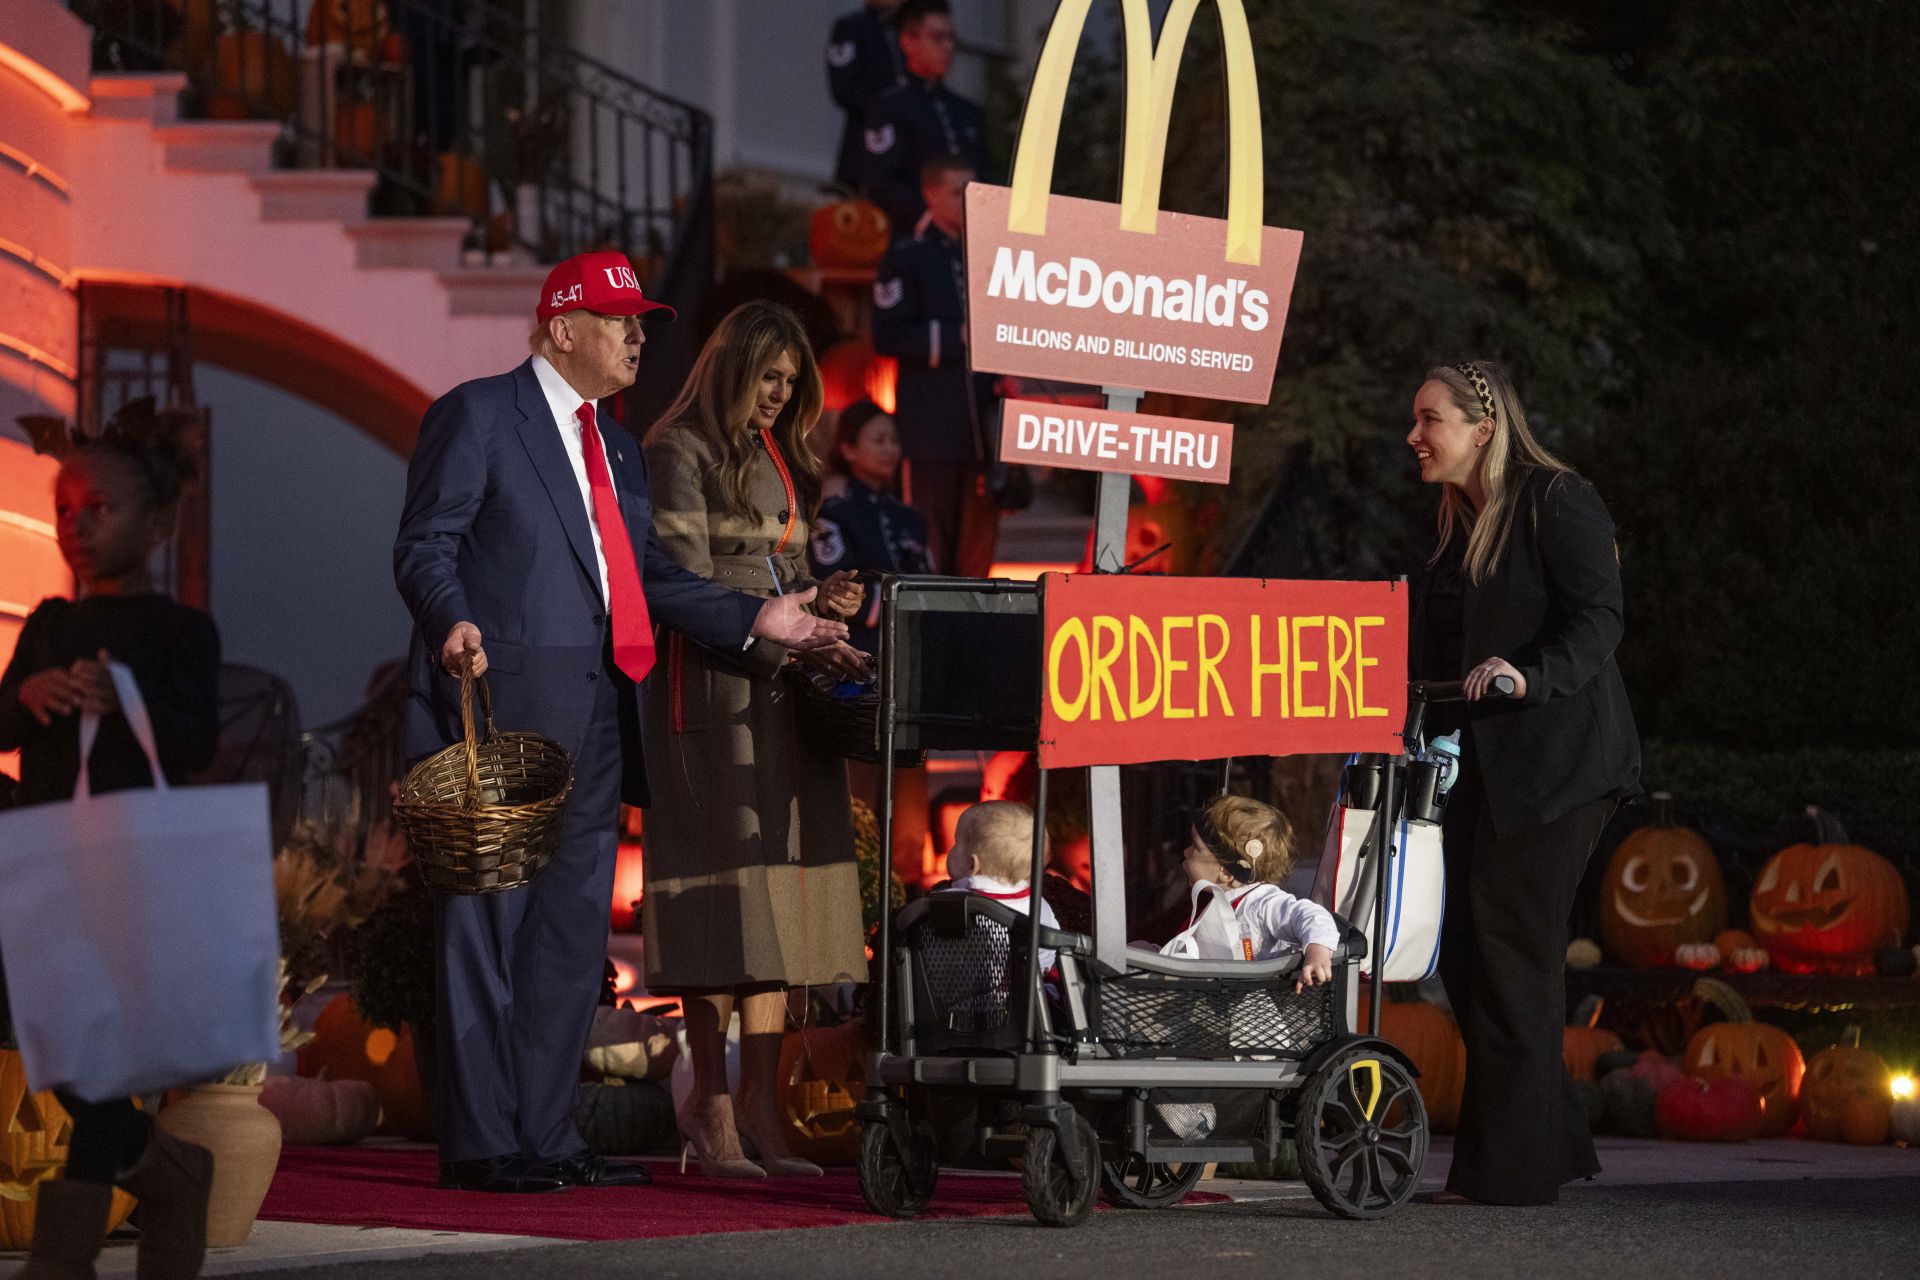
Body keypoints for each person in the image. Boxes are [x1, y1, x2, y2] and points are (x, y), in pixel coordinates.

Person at [393, 254, 849, 1195]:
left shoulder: (621, 446)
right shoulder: (480, 413)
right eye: (619, 320)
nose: (640, 335)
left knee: (568, 938)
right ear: (564, 329)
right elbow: (426, 543)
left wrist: (762, 616)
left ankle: (549, 1135)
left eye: (643, 321)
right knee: (488, 931)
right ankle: (485, 1145)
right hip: (499, 714)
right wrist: (451, 623)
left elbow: (654, 581)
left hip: (602, 716)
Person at [640, 300, 871, 1179]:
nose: (779, 394)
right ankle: (713, 1109)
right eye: (767, 376)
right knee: (718, 900)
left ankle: (768, 1115)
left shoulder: (783, 456)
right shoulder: (678, 450)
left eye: (790, 381)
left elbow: (789, 576)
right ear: (730, 368)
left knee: (783, 900)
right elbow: (685, 585)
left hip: (782, 691)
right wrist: (779, 623)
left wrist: (828, 602)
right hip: (709, 691)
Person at [1406, 360, 1640, 1206]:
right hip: (1489, 767)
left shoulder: (1555, 499)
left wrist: (1528, 676)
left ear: (1484, 426)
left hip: (1560, 769)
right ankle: (1548, 1142)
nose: (1415, 436)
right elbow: (1432, 644)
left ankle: (1505, 1173)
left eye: (1429, 419)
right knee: (1470, 956)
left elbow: (1601, 616)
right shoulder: (1454, 523)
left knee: (1509, 955)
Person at [0, 405, 219, 1280]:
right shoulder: (49, 622)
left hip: (127, 875)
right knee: (53, 1057)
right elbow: (0, 718)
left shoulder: (177, 633)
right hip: (43, 867)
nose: (78, 528)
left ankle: (61, 1264)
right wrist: (34, 694)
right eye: (65, 510)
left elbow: (196, 741)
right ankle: (172, 1175)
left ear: (158, 525)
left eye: (102, 509)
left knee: (85, 1062)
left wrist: (121, 701)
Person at [809, 398, 934, 884]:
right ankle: (856, 886)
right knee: (860, 785)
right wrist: (902, 601)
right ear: (848, 448)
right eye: (877, 440)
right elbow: (834, 589)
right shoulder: (835, 515)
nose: (890, 450)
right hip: (858, 666)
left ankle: (906, 883)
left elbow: (931, 581)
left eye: (894, 440)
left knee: (909, 781)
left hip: (910, 668)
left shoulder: (911, 518)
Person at [871, 153, 1000, 577]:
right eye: (957, 192)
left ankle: (975, 636)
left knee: (977, 552)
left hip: (982, 427)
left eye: (974, 191)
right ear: (930, 195)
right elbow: (887, 334)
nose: (969, 200)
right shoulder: (908, 256)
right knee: (929, 546)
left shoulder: (990, 252)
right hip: (930, 427)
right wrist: (954, 337)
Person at [1179, 795, 1339, 991]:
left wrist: (1317, 952)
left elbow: (1311, 915)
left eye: (1195, 846)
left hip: (1250, 1015)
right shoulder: (1213, 901)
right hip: (1209, 1005)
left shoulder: (1261, 903)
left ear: (1226, 872)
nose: (1186, 852)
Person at [859, 0, 988, 233]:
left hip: (975, 235)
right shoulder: (890, 107)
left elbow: (987, 176)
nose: (948, 47)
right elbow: (880, 181)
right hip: (913, 237)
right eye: (938, 38)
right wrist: (928, 219)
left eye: (951, 39)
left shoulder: (967, 112)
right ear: (908, 41)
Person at [826, 0, 906, 192]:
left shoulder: (905, 29)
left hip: (907, 151)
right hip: (865, 147)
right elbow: (844, 90)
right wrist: (887, 108)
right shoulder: (853, 27)